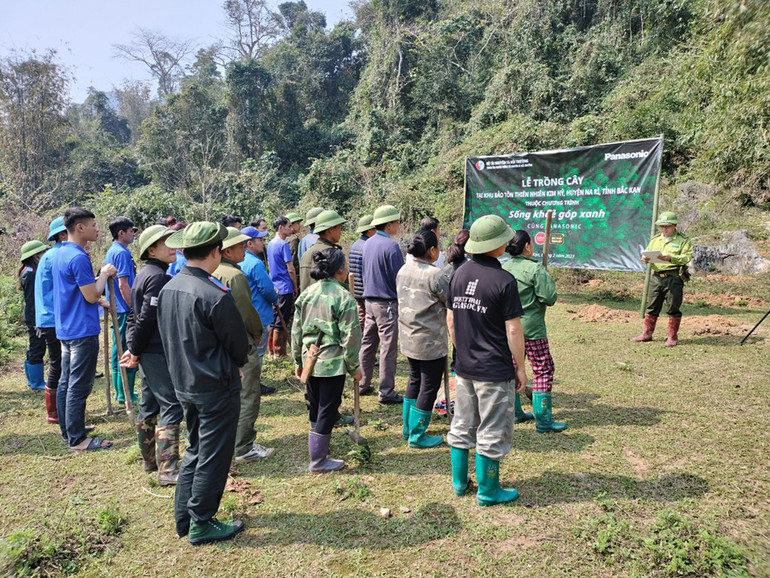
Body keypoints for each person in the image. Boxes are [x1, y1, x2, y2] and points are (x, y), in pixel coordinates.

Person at [157, 221, 249, 545]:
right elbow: (239, 346)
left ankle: (184, 517)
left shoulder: (168, 288)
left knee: (196, 449)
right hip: (215, 386)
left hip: (184, 383)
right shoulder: (214, 294)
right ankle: (201, 521)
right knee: (214, 455)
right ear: (215, 252)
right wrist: (235, 364)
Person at [446, 215, 528, 507]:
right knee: (492, 428)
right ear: (499, 245)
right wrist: (520, 366)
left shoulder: (458, 273)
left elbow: (451, 320)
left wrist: (463, 351)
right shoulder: (504, 280)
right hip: (494, 369)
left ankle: (459, 482)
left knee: (463, 424)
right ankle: (489, 491)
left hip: (464, 367)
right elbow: (514, 329)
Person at [121, 225, 184, 486]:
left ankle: (149, 460)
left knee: (149, 402)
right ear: (151, 249)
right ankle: (168, 470)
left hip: (146, 348)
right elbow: (145, 317)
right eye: (166, 243)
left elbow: (135, 315)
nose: (173, 248)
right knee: (171, 403)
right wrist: (135, 350)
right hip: (155, 349)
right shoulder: (156, 277)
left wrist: (133, 346)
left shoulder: (146, 273)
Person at [292, 248, 362, 473]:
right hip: (331, 364)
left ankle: (318, 448)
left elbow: (296, 331)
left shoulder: (306, 294)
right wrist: (355, 368)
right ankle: (318, 460)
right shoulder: (343, 297)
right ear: (340, 270)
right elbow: (350, 338)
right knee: (327, 409)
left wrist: (297, 360)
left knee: (315, 405)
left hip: (309, 359)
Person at [54, 207, 117, 452]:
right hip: (81, 329)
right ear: (79, 227)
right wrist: (104, 274)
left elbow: (75, 292)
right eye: (93, 224)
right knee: (79, 385)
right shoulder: (78, 257)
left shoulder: (58, 253)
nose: (96, 229)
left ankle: (68, 430)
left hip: (67, 328)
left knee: (66, 381)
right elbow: (91, 295)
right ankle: (78, 439)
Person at [213, 227, 275, 464]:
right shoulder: (234, 276)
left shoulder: (215, 270)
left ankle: (230, 441)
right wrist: (257, 333)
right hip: (242, 342)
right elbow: (246, 311)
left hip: (222, 344)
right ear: (227, 251)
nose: (245, 249)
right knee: (248, 392)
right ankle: (244, 447)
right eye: (240, 246)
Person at [502, 230, 566, 433]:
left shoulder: (503, 268)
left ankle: (515, 414)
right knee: (543, 369)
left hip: (508, 330)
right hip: (532, 329)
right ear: (527, 247)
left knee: (511, 369)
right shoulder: (535, 269)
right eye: (531, 242)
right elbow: (549, 297)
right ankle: (544, 421)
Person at [396, 229, 449, 449]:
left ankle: (407, 427)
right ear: (432, 250)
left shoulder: (403, 270)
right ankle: (417, 435)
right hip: (430, 341)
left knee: (415, 379)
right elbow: (450, 300)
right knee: (429, 385)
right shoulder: (436, 275)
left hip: (408, 336)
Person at [359, 204, 404, 404]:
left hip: (369, 300)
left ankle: (362, 383)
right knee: (388, 347)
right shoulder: (391, 246)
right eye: (396, 222)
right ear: (388, 225)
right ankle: (386, 391)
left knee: (368, 344)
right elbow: (399, 278)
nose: (398, 225)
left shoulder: (367, 243)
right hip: (386, 303)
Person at [634, 211, 693, 347]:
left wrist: (671, 258)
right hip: (656, 277)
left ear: (674, 226)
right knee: (652, 306)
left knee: (673, 307)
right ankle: (646, 334)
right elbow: (647, 254)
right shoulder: (655, 240)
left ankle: (672, 337)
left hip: (673, 276)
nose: (664, 229)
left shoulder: (683, 240)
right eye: (661, 226)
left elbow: (686, 257)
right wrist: (645, 259)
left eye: (667, 226)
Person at [35, 217, 69, 422]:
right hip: (53, 319)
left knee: (59, 362)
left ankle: (57, 409)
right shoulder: (57, 256)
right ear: (63, 235)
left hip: (49, 317)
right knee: (58, 363)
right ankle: (54, 412)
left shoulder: (51, 255)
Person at [239, 226, 277, 396]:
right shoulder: (255, 263)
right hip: (259, 314)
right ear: (249, 243)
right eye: (260, 240)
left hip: (244, 314)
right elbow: (267, 289)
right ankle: (255, 385)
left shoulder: (239, 260)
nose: (263, 243)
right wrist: (275, 298)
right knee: (258, 352)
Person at [104, 216, 138, 404]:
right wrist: (134, 307)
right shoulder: (122, 253)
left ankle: (121, 392)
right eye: (131, 231)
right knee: (126, 348)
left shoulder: (113, 251)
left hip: (117, 307)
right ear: (121, 233)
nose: (133, 234)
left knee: (119, 348)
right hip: (124, 308)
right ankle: (125, 393)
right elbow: (123, 285)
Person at [19, 240, 49, 391]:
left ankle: (32, 380)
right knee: (37, 347)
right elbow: (32, 301)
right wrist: (37, 320)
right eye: (42, 253)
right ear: (36, 256)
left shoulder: (28, 271)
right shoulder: (30, 274)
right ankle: (36, 382)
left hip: (32, 316)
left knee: (34, 346)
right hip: (34, 317)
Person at [266, 216, 298, 357]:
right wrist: (295, 286)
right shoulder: (283, 245)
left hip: (274, 286)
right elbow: (290, 269)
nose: (291, 229)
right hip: (285, 287)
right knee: (281, 319)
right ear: (280, 227)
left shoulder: (270, 244)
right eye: (289, 226)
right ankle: (279, 351)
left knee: (274, 319)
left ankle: (271, 351)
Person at [299, 209, 346, 292]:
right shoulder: (333, 255)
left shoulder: (305, 255)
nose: (340, 232)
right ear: (330, 229)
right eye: (339, 228)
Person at [443, 228, 470, 374]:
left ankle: (455, 371)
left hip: (451, 313)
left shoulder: (447, 269)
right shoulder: (469, 268)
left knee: (456, 344)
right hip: (466, 313)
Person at [348, 215, 375, 332]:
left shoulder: (355, 245)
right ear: (369, 230)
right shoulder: (367, 246)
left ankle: (359, 338)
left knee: (361, 315)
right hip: (366, 289)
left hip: (356, 289)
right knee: (369, 317)